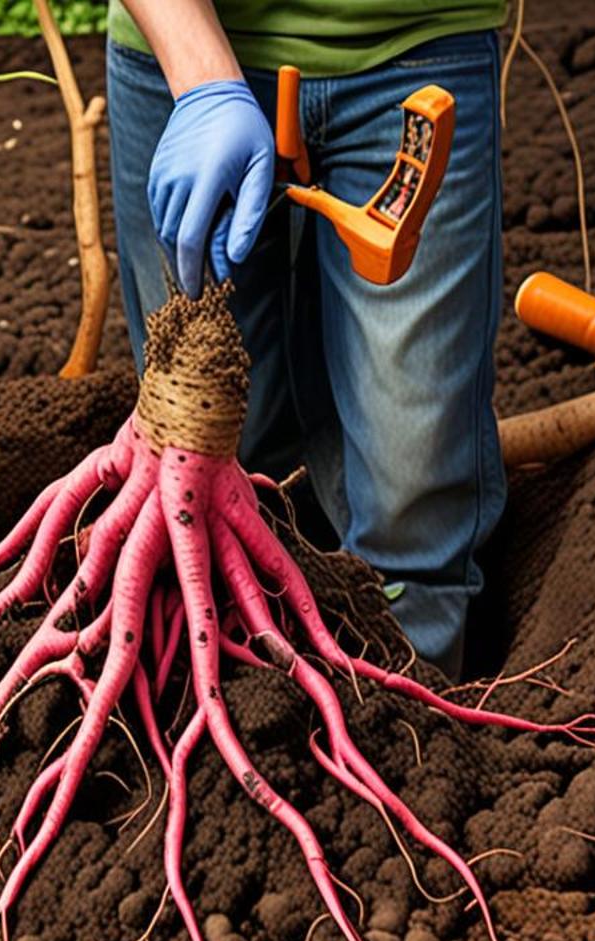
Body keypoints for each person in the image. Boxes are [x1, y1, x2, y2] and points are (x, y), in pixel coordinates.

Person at [107, 0, 507, 677]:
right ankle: (237, 692)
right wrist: (202, 81)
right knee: (223, 449)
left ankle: (408, 713)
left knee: (412, 470)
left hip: (410, 48)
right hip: (174, 48)